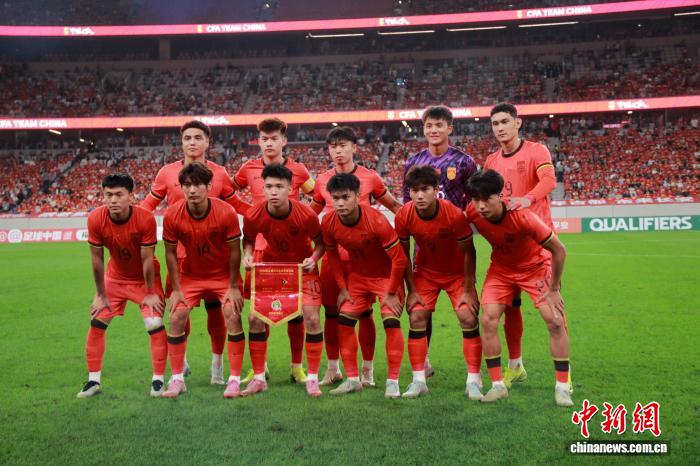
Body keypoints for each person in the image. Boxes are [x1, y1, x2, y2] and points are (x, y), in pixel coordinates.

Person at [141, 119, 242, 385]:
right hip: (181, 259)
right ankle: (181, 362)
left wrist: (269, 215)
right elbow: (145, 208)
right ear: (182, 142)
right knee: (178, 310)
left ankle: (217, 366)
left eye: (198, 137)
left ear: (208, 142)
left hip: (214, 258)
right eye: (187, 138)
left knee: (217, 312)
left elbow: (238, 205)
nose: (192, 142)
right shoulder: (166, 173)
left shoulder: (219, 173)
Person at [464, 170, 572, 407]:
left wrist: (554, 288)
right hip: (501, 270)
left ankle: (563, 387)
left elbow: (559, 250)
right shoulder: (472, 212)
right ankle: (497, 386)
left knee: (554, 320)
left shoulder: (522, 216)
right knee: (487, 320)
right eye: (476, 200)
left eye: (487, 199)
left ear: (500, 196)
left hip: (535, 267)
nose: (481, 206)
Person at [311, 126, 402, 387]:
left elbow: (394, 206)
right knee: (331, 313)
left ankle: (367, 370)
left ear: (354, 147)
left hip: (364, 259)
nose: (338, 151)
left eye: (343, 145)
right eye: (333, 147)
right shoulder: (322, 180)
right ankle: (333, 368)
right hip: (333, 258)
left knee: (364, 314)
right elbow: (310, 215)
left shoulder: (370, 177)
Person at [232, 117, 315, 385]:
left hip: (293, 251)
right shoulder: (248, 168)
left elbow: (319, 195)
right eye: (264, 139)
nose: (269, 143)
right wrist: (248, 211)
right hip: (259, 252)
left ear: (284, 141)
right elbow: (227, 191)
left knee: (297, 311)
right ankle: (260, 367)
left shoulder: (299, 170)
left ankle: (297, 367)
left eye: (274, 138)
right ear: (258, 141)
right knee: (259, 311)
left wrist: (306, 220)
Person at [485, 102, 559, 389]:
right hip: (507, 251)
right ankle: (515, 366)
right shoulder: (491, 161)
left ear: (517, 123)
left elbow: (549, 180)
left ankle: (564, 381)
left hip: (537, 248)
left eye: (505, 121)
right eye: (495, 123)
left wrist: (527, 199)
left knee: (553, 316)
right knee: (509, 309)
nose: (500, 128)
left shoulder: (537, 151)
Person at [402, 105, 477, 377]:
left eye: (438, 125)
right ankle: (425, 360)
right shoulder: (413, 162)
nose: (433, 130)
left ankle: (474, 370)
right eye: (429, 126)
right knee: (423, 309)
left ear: (449, 128)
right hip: (425, 247)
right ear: (423, 130)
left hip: (456, 243)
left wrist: (461, 219)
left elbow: (475, 198)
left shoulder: (464, 162)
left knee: (467, 310)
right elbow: (406, 203)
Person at [395, 166, 481, 399]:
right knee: (416, 316)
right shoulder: (404, 215)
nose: (420, 195)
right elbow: (403, 256)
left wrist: (468, 289)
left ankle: (474, 380)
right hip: (426, 273)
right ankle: (418, 380)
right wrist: (412, 291)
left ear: (436, 190)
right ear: (409, 192)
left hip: (456, 274)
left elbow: (469, 252)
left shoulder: (453, 214)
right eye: (414, 190)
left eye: (425, 189)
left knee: (468, 316)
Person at [78, 173, 166, 398]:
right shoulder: (95, 218)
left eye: (119, 194)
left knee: (154, 323)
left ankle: (158, 381)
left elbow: (147, 259)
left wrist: (150, 292)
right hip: (114, 279)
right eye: (109, 195)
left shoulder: (144, 218)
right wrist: (100, 294)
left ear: (130, 196)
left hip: (144, 279)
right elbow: (97, 259)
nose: (113, 200)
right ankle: (93, 381)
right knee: (96, 322)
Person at [161, 163, 244, 399]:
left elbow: (235, 250)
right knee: (176, 316)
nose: (192, 190)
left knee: (232, 314)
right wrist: (176, 289)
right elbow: (170, 253)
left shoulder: (226, 212)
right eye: (187, 185)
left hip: (222, 275)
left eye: (197, 184)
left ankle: (234, 380)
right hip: (191, 276)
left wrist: (233, 286)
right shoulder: (172, 214)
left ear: (209, 186)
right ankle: (177, 379)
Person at [241, 164, 326, 397]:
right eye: (269, 186)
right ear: (263, 188)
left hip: (302, 269)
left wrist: (313, 258)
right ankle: (259, 378)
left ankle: (312, 378)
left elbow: (321, 243)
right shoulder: (253, 214)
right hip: (272, 270)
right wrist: (247, 254)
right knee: (254, 319)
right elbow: (248, 239)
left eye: (279, 186)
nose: (273, 191)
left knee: (311, 318)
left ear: (290, 189)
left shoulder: (306, 214)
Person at [321, 173, 407, 398]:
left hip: (385, 277)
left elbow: (399, 260)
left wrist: (392, 292)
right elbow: (333, 257)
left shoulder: (376, 221)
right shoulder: (328, 222)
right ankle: (352, 379)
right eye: (336, 198)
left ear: (358, 196)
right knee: (344, 321)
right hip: (358, 278)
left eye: (346, 197)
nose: (340, 203)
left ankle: (393, 382)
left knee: (391, 322)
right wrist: (342, 288)